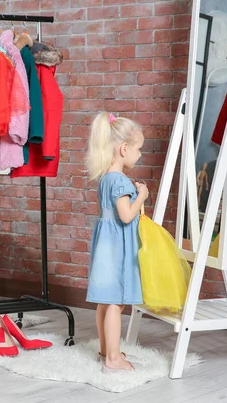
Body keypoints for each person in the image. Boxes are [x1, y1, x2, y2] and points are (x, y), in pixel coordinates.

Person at [85, 112, 149, 372]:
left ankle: (104, 349)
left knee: (105, 299)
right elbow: (126, 216)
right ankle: (113, 358)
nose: (140, 154)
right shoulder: (120, 180)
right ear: (124, 149)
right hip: (117, 249)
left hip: (105, 245)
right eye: (139, 149)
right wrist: (142, 195)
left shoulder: (105, 178)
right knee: (116, 302)